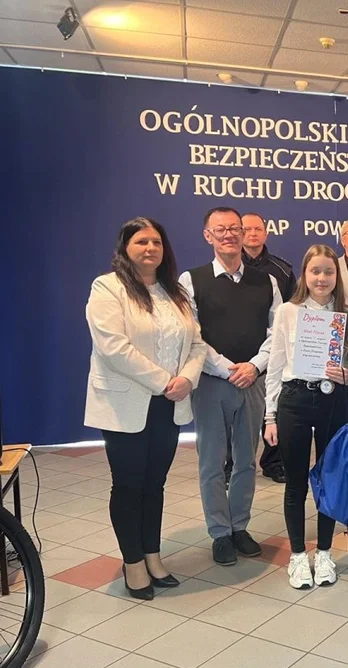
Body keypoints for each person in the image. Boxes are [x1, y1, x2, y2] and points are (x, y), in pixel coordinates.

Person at [85, 217, 206, 600]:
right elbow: (113, 347)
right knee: (128, 484)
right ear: (126, 248)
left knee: (155, 484)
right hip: (127, 404)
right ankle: (133, 562)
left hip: (169, 404)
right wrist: (164, 381)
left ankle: (152, 555)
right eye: (141, 242)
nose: (150, 248)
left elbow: (198, 344)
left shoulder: (176, 293)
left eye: (156, 242)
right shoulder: (108, 287)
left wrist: (187, 378)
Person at [179, 206, 282, 566]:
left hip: (252, 383)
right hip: (211, 383)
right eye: (220, 230)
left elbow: (277, 332)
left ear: (243, 233)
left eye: (234, 228)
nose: (229, 235)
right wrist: (227, 369)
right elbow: (192, 335)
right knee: (211, 462)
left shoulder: (266, 282)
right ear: (208, 236)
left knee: (246, 461)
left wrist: (254, 367)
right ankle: (220, 532)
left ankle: (239, 526)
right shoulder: (191, 280)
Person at [264, 245, 348, 589]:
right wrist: (270, 416)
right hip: (295, 400)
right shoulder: (288, 311)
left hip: (333, 399)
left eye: (328, 271)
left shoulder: (346, 314)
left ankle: (325, 552)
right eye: (315, 271)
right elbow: (275, 364)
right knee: (296, 482)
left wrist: (347, 374)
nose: (322, 278)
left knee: (329, 480)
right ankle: (299, 555)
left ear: (336, 276)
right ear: (305, 274)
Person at [237, 212, 297, 484]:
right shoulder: (230, 265)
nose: (252, 234)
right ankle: (233, 463)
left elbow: (294, 307)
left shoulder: (282, 270)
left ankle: (273, 462)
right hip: (240, 349)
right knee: (237, 412)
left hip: (274, 347)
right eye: (246, 229)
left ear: (266, 233)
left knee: (274, 406)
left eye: (257, 229)